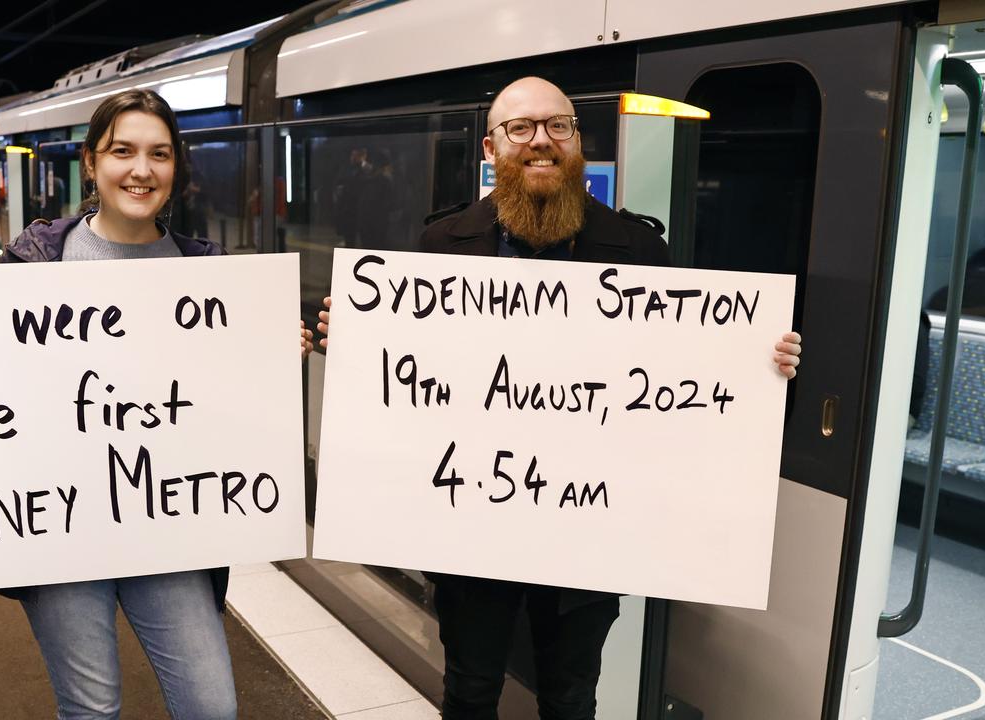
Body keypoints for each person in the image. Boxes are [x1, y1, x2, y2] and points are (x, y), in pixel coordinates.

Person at [318, 76, 801, 720]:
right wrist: (352, 341)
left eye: (558, 126)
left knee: (572, 698)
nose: (540, 141)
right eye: (520, 129)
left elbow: (683, 374)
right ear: (491, 149)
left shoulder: (640, 250)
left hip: (591, 523)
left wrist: (757, 365)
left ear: (577, 141)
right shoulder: (440, 245)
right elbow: (411, 376)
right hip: (471, 520)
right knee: (468, 689)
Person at [0, 89, 313, 719]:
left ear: (176, 166)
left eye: (160, 154)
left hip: (165, 523)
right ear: (91, 162)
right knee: (92, 709)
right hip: (56, 526)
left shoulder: (208, 272)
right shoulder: (33, 261)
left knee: (211, 706)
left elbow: (221, 409)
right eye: (123, 151)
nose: (142, 169)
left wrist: (271, 362)